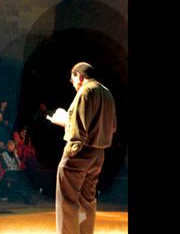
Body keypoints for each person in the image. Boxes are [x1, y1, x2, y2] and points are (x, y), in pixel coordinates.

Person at [50, 62, 117, 234]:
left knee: (67, 200)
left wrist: (69, 153)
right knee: (88, 200)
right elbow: (113, 127)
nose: (73, 84)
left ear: (79, 76)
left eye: (72, 80)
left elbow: (79, 128)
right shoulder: (107, 93)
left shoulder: (85, 91)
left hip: (80, 153)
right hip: (98, 154)